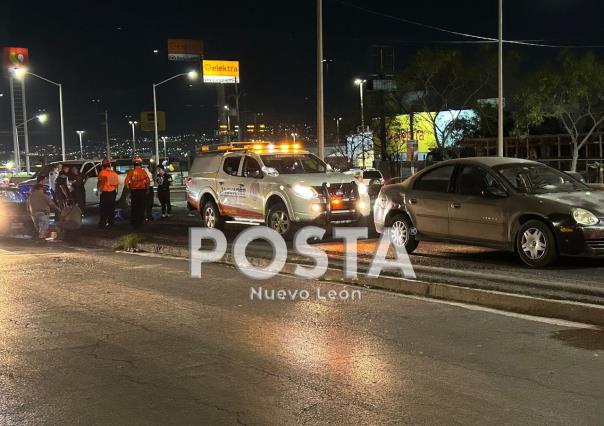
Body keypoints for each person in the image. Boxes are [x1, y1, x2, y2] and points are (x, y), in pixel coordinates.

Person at [124, 156, 150, 228]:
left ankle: (134, 221)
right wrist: (147, 189)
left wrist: (129, 188)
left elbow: (126, 182)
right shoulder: (143, 172)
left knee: (134, 207)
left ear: (133, 164)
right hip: (142, 191)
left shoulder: (131, 172)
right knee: (141, 206)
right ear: (140, 163)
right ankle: (141, 221)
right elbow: (147, 181)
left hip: (134, 191)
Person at [97, 159, 120, 229]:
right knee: (111, 209)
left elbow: (100, 182)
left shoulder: (102, 173)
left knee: (103, 209)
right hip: (112, 193)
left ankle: (102, 224)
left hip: (105, 194)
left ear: (103, 166)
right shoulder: (114, 174)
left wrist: (98, 189)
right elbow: (116, 184)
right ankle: (111, 223)